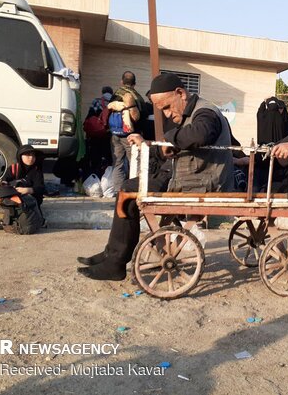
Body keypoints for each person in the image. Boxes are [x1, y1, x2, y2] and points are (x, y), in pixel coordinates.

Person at [77, 73, 234, 280]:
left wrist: (169, 140)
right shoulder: (190, 112)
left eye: (167, 107)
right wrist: (162, 148)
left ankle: (115, 261)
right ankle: (112, 255)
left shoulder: (206, 112)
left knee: (128, 190)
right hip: (185, 175)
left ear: (180, 93)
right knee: (128, 189)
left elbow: (200, 134)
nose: (167, 114)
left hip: (199, 180)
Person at [108, 71, 148, 195]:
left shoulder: (115, 94)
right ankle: (132, 191)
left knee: (117, 162)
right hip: (131, 135)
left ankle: (118, 192)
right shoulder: (135, 96)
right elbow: (143, 114)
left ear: (121, 81)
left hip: (115, 134)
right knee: (134, 162)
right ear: (134, 83)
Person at [84, 86, 114, 178]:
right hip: (109, 134)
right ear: (111, 93)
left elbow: (90, 116)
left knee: (95, 156)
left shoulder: (96, 101)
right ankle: (108, 176)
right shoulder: (114, 103)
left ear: (102, 92)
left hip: (96, 134)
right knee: (109, 157)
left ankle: (95, 176)